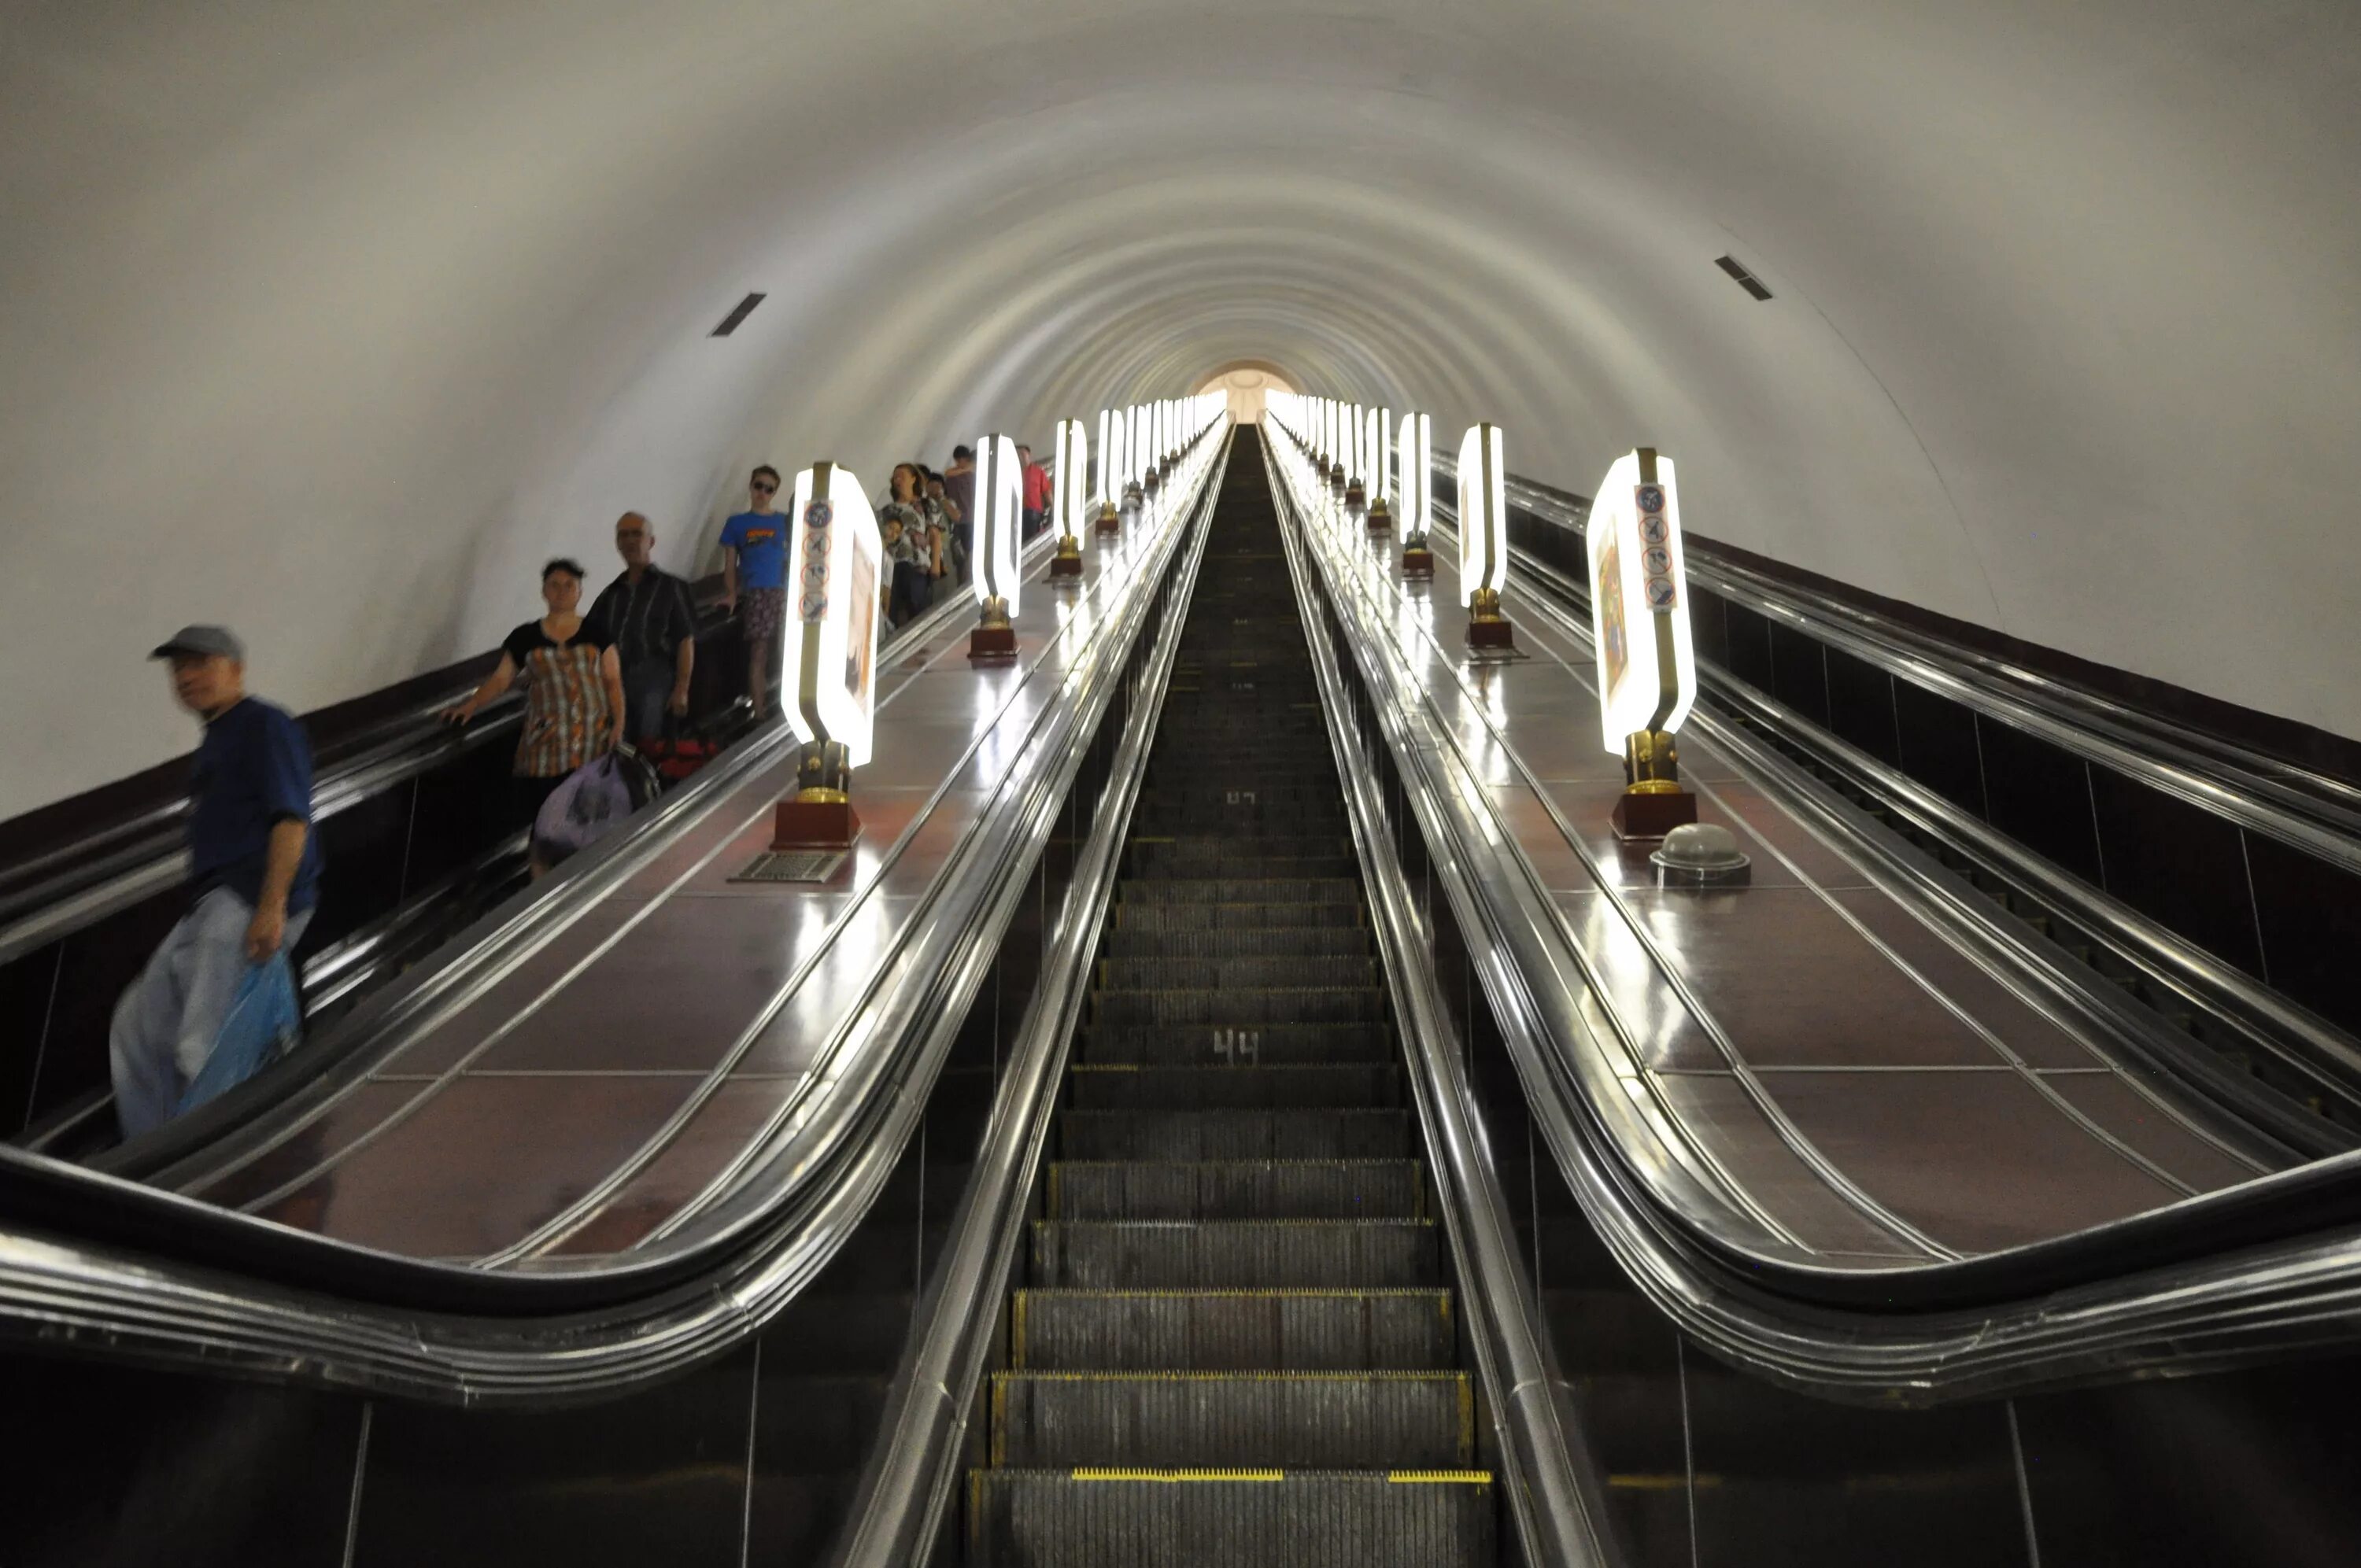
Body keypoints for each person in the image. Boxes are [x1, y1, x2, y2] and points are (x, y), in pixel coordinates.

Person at [111, 626, 323, 1138]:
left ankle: (207, 1168)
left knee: (202, 1045)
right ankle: (150, 1153)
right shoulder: (219, 737)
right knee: (139, 1026)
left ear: (236, 668)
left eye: (201, 664)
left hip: (245, 901)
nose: (186, 677)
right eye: (178, 669)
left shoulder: (265, 725)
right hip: (211, 903)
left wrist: (271, 907)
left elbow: (291, 820)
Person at [442, 559, 626, 873]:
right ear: (544, 591)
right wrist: (470, 706)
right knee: (543, 818)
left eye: (569, 585)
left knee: (586, 814)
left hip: (590, 742)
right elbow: (501, 680)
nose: (562, 591)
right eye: (555, 584)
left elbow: (612, 682)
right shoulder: (525, 637)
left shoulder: (597, 632)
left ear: (580, 592)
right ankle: (540, 885)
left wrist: (618, 724)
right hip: (545, 746)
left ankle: (585, 877)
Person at [586, 511, 696, 743]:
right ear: (617, 544)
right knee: (617, 744)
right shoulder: (611, 594)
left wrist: (682, 688)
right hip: (615, 678)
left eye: (637, 534)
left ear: (651, 541)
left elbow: (685, 640)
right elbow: (586, 637)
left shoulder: (671, 587)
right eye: (623, 535)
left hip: (654, 675)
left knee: (649, 742)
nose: (630, 541)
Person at [721, 464, 789, 714]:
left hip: (784, 591)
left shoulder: (784, 521)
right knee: (759, 652)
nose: (762, 492)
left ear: (774, 493)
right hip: (757, 591)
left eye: (768, 489)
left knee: (787, 650)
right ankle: (759, 712)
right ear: (751, 487)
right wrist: (731, 593)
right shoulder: (737, 523)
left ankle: (787, 706)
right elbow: (730, 565)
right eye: (759, 486)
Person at [942, 445, 977, 567]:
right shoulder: (970, 475)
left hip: (959, 519)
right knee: (970, 551)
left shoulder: (952, 477)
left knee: (962, 553)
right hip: (971, 518)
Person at [1018, 443, 1052, 539]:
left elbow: (1046, 490)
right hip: (1018, 513)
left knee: (1032, 537)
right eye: (1019, 455)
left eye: (1023, 454)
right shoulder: (1015, 474)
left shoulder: (1038, 472)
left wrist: (1052, 506)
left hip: (1033, 512)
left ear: (1029, 455)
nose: (1021, 457)